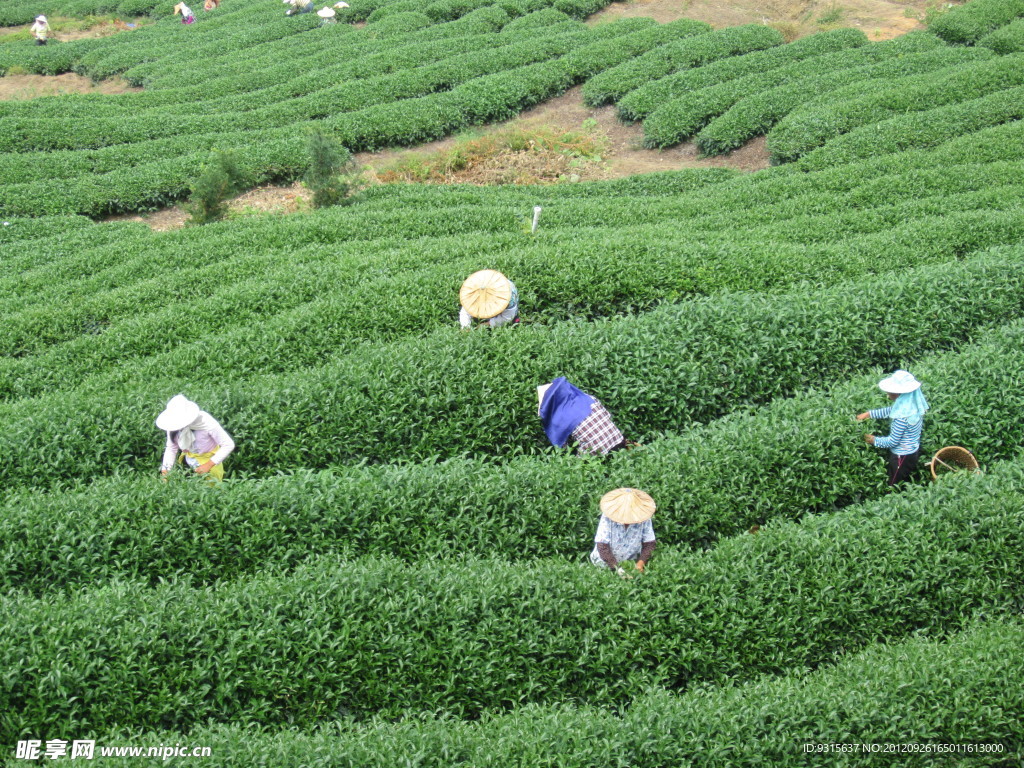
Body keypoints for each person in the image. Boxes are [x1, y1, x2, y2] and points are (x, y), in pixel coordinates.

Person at [857, 369, 928, 486]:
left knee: (894, 484)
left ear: (899, 394)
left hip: (902, 457)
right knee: (903, 478)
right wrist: (869, 414)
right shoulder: (911, 406)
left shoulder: (902, 417)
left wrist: (873, 440)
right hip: (912, 451)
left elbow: (893, 441)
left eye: (890, 391)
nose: (888, 394)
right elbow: (890, 410)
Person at [538, 377, 627, 456]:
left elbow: (563, 448)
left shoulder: (559, 418)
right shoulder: (588, 398)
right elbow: (607, 415)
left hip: (596, 450)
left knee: (574, 470)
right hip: (618, 439)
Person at [157, 394, 235, 480]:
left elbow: (228, 444)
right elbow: (171, 448)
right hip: (188, 462)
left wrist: (208, 465)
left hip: (210, 463)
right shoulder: (172, 425)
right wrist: (165, 472)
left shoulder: (205, 421)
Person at [590, 488, 657, 574]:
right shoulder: (607, 517)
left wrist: (640, 564)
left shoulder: (644, 518)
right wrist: (618, 569)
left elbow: (649, 543)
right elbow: (602, 546)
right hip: (603, 564)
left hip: (629, 564)